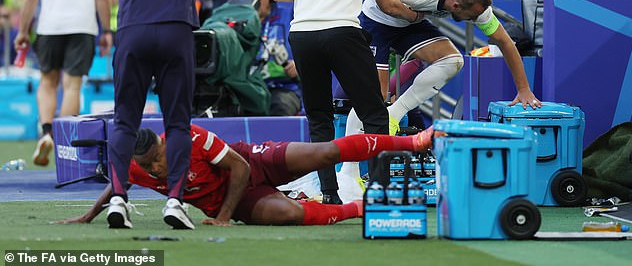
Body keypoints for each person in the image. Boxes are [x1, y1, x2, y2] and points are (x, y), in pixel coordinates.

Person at [16, 0, 281, 229]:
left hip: (134, 32)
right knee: (176, 123)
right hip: (176, 32)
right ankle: (175, 200)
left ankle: (119, 199)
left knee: (125, 121)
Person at [272, 0, 425, 205]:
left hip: (303, 34)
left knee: (319, 117)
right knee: (374, 113)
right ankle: (382, 190)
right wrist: (414, 15)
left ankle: (329, 194)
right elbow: (386, 2)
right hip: (343, 32)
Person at [56, 124, 433, 226]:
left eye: (159, 160)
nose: (156, 169)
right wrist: (90, 214)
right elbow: (116, 185)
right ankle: (357, 209)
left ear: (164, 142)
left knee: (324, 152)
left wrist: (221, 218)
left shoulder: (188, 137)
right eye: (151, 167)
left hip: (248, 163)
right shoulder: (138, 164)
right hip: (238, 202)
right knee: (289, 215)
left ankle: (412, 143)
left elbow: (237, 167)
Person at [344, 0, 542, 142]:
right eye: (471, 17)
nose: (475, 20)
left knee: (453, 60)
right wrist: (409, 15)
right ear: (455, 6)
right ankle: (349, 172)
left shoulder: (475, 3)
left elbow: (506, 43)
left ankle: (394, 114)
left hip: (409, 21)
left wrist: (524, 89)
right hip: (377, 18)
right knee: (373, 98)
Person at [13, 0, 112, 167]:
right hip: (82, 26)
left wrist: (23, 30)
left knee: (47, 81)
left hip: (48, 26)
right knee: (72, 84)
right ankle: (63, 141)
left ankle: (46, 132)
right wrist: (106, 30)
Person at [239, 0, 301, 116]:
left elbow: (311, 43)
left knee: (280, 106)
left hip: (284, 87)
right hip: (248, 89)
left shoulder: (290, 13)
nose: (253, 1)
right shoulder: (235, 21)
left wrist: (301, 64)